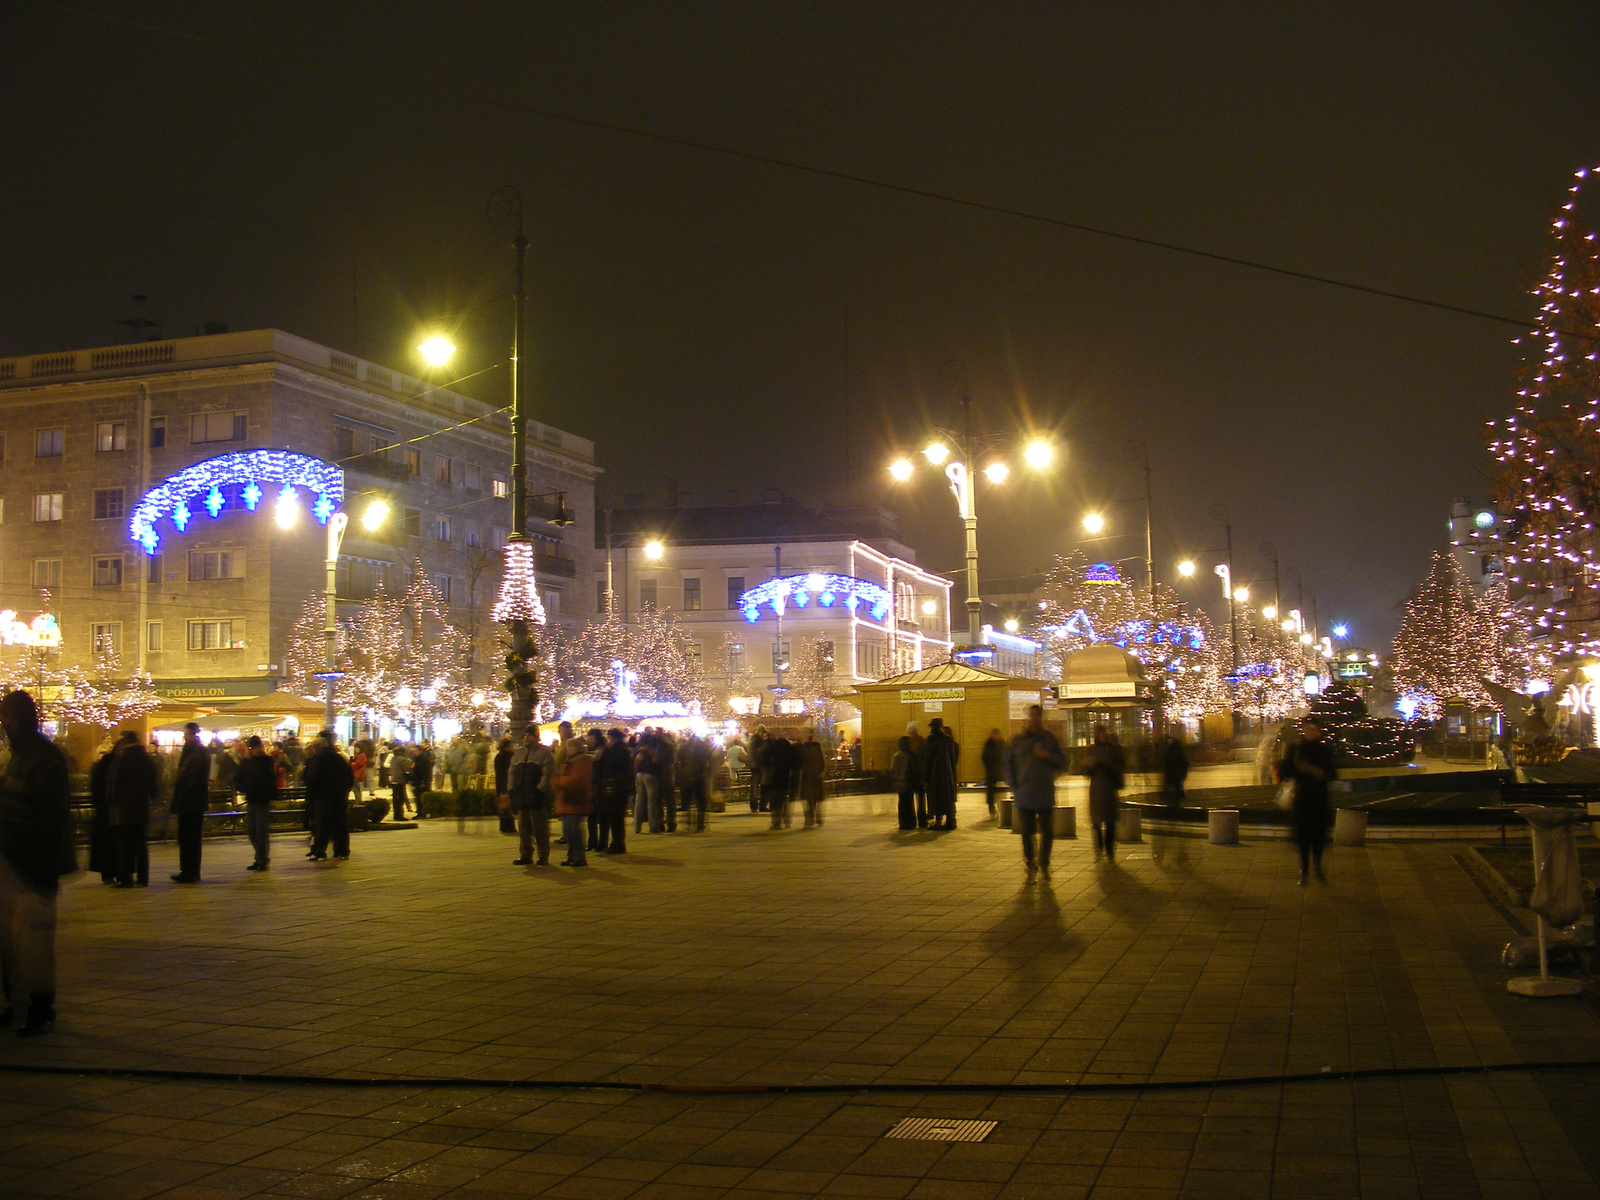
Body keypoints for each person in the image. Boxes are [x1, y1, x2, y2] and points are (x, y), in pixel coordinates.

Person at [0, 690, 74, 1036]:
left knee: (35, 942)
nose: (7, 722)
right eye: (5, 715)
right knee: (11, 941)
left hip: (34, 865)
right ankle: (15, 1004)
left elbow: (50, 818)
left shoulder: (43, 759)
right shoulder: (20, 756)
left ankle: (41, 1008)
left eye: (12, 715)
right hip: (12, 862)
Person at [1007, 704, 1067, 882]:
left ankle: (1044, 863)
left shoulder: (1049, 739)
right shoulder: (1018, 741)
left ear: (1041, 718)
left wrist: (1048, 755)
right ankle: (1030, 862)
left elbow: (1063, 762)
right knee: (1027, 832)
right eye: (1032, 715)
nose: (1034, 719)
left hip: (1044, 793)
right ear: (1027, 718)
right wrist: (1015, 786)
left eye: (1037, 715)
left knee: (1047, 831)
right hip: (1025, 794)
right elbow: (1009, 766)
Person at [1279, 715, 1337, 885]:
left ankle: (1318, 869)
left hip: (1319, 798)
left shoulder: (1324, 749)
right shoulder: (1295, 748)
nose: (1311, 732)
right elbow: (1285, 772)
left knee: (1318, 836)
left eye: (1314, 729)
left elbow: (1333, 773)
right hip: (1302, 798)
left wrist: (1321, 773)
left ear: (1319, 731)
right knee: (1302, 836)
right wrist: (1304, 772)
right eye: (1308, 728)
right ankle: (1304, 871)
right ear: (1303, 729)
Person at [107, 731, 157, 888]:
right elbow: (153, 783)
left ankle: (126, 877)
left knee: (125, 843)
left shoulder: (122, 758)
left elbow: (115, 781)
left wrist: (112, 800)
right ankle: (143, 877)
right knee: (141, 842)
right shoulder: (146, 758)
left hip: (124, 806)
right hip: (141, 805)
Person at [170, 721, 211, 883]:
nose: (184, 738)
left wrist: (182, 793)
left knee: (191, 837)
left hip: (192, 802)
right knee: (186, 837)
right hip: (188, 801)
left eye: (186, 735)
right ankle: (187, 870)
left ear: (193, 735)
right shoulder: (191, 752)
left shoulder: (198, 753)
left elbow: (192, 779)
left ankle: (191, 871)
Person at [304, 730, 354, 861]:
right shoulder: (339, 758)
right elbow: (349, 777)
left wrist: (314, 794)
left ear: (316, 748)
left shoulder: (316, 760)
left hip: (322, 797)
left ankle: (319, 851)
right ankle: (342, 850)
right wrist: (344, 791)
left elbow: (310, 778)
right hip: (338, 796)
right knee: (340, 824)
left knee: (322, 825)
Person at [508, 727, 554, 866]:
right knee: (524, 829)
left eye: (530, 735)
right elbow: (512, 773)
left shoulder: (544, 753)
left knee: (540, 829)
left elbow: (548, 774)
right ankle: (526, 854)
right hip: (522, 796)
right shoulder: (519, 754)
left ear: (536, 737)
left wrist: (540, 790)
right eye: (525, 735)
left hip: (536, 797)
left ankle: (543, 856)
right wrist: (511, 789)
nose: (526, 738)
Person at [551, 729, 593, 866]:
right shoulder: (568, 762)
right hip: (567, 800)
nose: (569, 750)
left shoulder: (582, 762)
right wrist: (559, 781)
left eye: (571, 747)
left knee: (573, 831)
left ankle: (579, 857)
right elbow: (556, 778)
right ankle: (571, 856)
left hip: (576, 800)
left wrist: (561, 781)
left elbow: (577, 780)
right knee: (568, 831)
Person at [1085, 724, 1125, 862]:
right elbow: (1086, 771)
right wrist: (1088, 766)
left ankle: (1109, 850)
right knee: (1096, 823)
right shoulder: (1091, 750)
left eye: (1103, 732)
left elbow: (1120, 766)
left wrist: (1108, 767)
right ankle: (1099, 849)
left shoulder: (1113, 750)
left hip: (1109, 789)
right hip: (1096, 790)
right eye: (1099, 733)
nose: (1102, 735)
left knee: (1110, 822)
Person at [238, 735, 277, 870]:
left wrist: (251, 760)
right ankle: (259, 856)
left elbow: (265, 776)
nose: (256, 750)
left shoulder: (266, 760)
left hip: (262, 799)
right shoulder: (247, 761)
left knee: (261, 831)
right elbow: (240, 777)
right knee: (252, 831)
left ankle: (263, 859)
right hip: (252, 799)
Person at [595, 728, 633, 853]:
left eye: (610, 738)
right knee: (617, 817)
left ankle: (617, 844)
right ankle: (618, 843)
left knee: (615, 817)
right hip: (621, 787)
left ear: (614, 738)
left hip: (615, 787)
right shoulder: (623, 750)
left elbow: (611, 766)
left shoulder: (615, 751)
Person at [87, 740, 116, 884]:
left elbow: (95, 789)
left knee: (105, 843)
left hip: (103, 811)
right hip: (113, 810)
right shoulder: (115, 766)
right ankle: (115, 872)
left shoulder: (102, 767)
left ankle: (107, 873)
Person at [923, 718, 960, 830]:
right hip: (948, 773)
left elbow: (928, 759)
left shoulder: (931, 739)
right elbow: (953, 759)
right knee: (948, 797)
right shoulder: (949, 740)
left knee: (936, 797)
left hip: (935, 774)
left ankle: (938, 822)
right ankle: (951, 821)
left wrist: (925, 776)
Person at [678, 733, 711, 832]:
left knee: (687, 801)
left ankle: (689, 821)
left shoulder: (683, 747)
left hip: (687, 776)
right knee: (700, 801)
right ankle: (700, 823)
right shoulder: (703, 747)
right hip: (699, 776)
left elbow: (679, 760)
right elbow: (707, 760)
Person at [765, 733, 797, 829]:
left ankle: (776, 821)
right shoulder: (789, 747)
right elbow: (794, 761)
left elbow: (765, 759)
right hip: (786, 776)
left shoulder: (773, 747)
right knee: (785, 798)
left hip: (775, 776)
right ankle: (787, 819)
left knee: (775, 799)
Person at [798, 728, 827, 828]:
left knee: (808, 798)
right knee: (816, 798)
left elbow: (801, 761)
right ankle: (817, 817)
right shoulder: (817, 746)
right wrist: (820, 771)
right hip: (816, 775)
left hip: (808, 776)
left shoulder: (804, 747)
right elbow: (822, 761)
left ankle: (810, 818)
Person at [891, 736, 919, 830]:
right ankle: (910, 822)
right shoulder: (910, 755)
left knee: (902, 803)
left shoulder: (896, 756)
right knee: (909, 803)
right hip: (908, 782)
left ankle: (903, 822)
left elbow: (893, 770)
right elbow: (915, 769)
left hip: (899, 783)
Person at [905, 722, 929, 827]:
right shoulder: (922, 742)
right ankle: (920, 819)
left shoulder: (915, 743)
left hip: (917, 773)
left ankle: (919, 819)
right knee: (920, 798)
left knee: (920, 797)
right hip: (917, 773)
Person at [981, 728, 1006, 818]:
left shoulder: (1002, 744)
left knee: (1000, 793)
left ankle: (1001, 810)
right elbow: (984, 757)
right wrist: (989, 766)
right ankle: (992, 808)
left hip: (1000, 772)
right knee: (991, 792)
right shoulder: (988, 744)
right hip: (991, 772)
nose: (996, 737)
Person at [1161, 733, 1189, 802]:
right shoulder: (1178, 751)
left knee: (1173, 784)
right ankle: (1176, 797)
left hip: (1173, 772)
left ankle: (1173, 797)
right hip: (1176, 772)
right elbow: (1184, 762)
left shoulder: (1170, 751)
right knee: (1176, 784)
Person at [389, 743, 412, 820]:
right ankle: (400, 815)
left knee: (395, 798)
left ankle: (396, 815)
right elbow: (406, 769)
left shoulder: (393, 759)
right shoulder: (402, 759)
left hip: (394, 779)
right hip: (400, 780)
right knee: (400, 798)